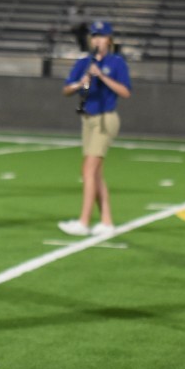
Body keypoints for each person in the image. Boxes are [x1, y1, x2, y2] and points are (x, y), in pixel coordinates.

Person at [59, 20, 132, 236]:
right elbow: (66, 89)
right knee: (95, 173)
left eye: (101, 36)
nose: (97, 40)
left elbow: (125, 92)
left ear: (109, 40)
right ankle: (107, 221)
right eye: (94, 36)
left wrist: (102, 76)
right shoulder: (84, 62)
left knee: (88, 170)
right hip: (88, 119)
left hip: (105, 119)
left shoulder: (117, 62)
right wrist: (80, 83)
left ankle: (84, 221)